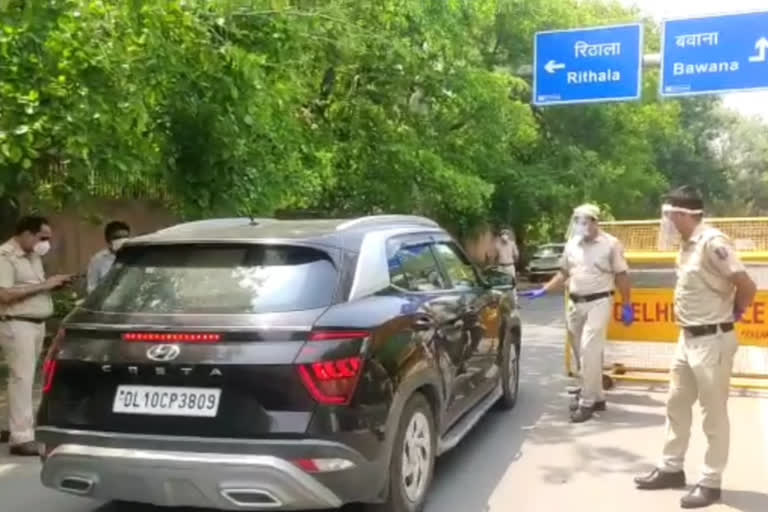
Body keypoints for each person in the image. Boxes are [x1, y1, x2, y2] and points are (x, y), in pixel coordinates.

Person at [634, 186, 756, 509]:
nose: (668, 221)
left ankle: (710, 481)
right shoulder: (686, 246)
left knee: (712, 413)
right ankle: (671, 467)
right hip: (687, 338)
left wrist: (735, 313)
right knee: (676, 404)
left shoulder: (712, 243)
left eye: (671, 214)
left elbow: (746, 284)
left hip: (713, 339)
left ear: (685, 214)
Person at [521, 204, 634, 423]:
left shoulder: (610, 244)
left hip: (599, 301)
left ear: (595, 221)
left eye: (585, 220)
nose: (581, 224)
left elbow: (621, 275)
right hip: (575, 303)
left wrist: (627, 303)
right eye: (577, 220)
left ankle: (587, 401)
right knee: (579, 352)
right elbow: (564, 272)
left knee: (589, 349)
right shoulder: (572, 244)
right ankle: (597, 395)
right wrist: (543, 289)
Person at [0, 216, 72, 455]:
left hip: (35, 324)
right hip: (16, 324)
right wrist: (45, 285)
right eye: (43, 238)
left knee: (25, 378)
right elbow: (5, 295)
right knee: (22, 378)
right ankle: (21, 438)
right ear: (26, 234)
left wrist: (52, 285)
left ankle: (14, 428)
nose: (46, 243)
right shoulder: (5, 256)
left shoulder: (33, 256)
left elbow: (31, 288)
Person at [86, 220, 130, 294]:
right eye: (117, 237)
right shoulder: (98, 260)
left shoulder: (134, 256)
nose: (122, 240)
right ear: (108, 240)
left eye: (125, 237)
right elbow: (91, 287)